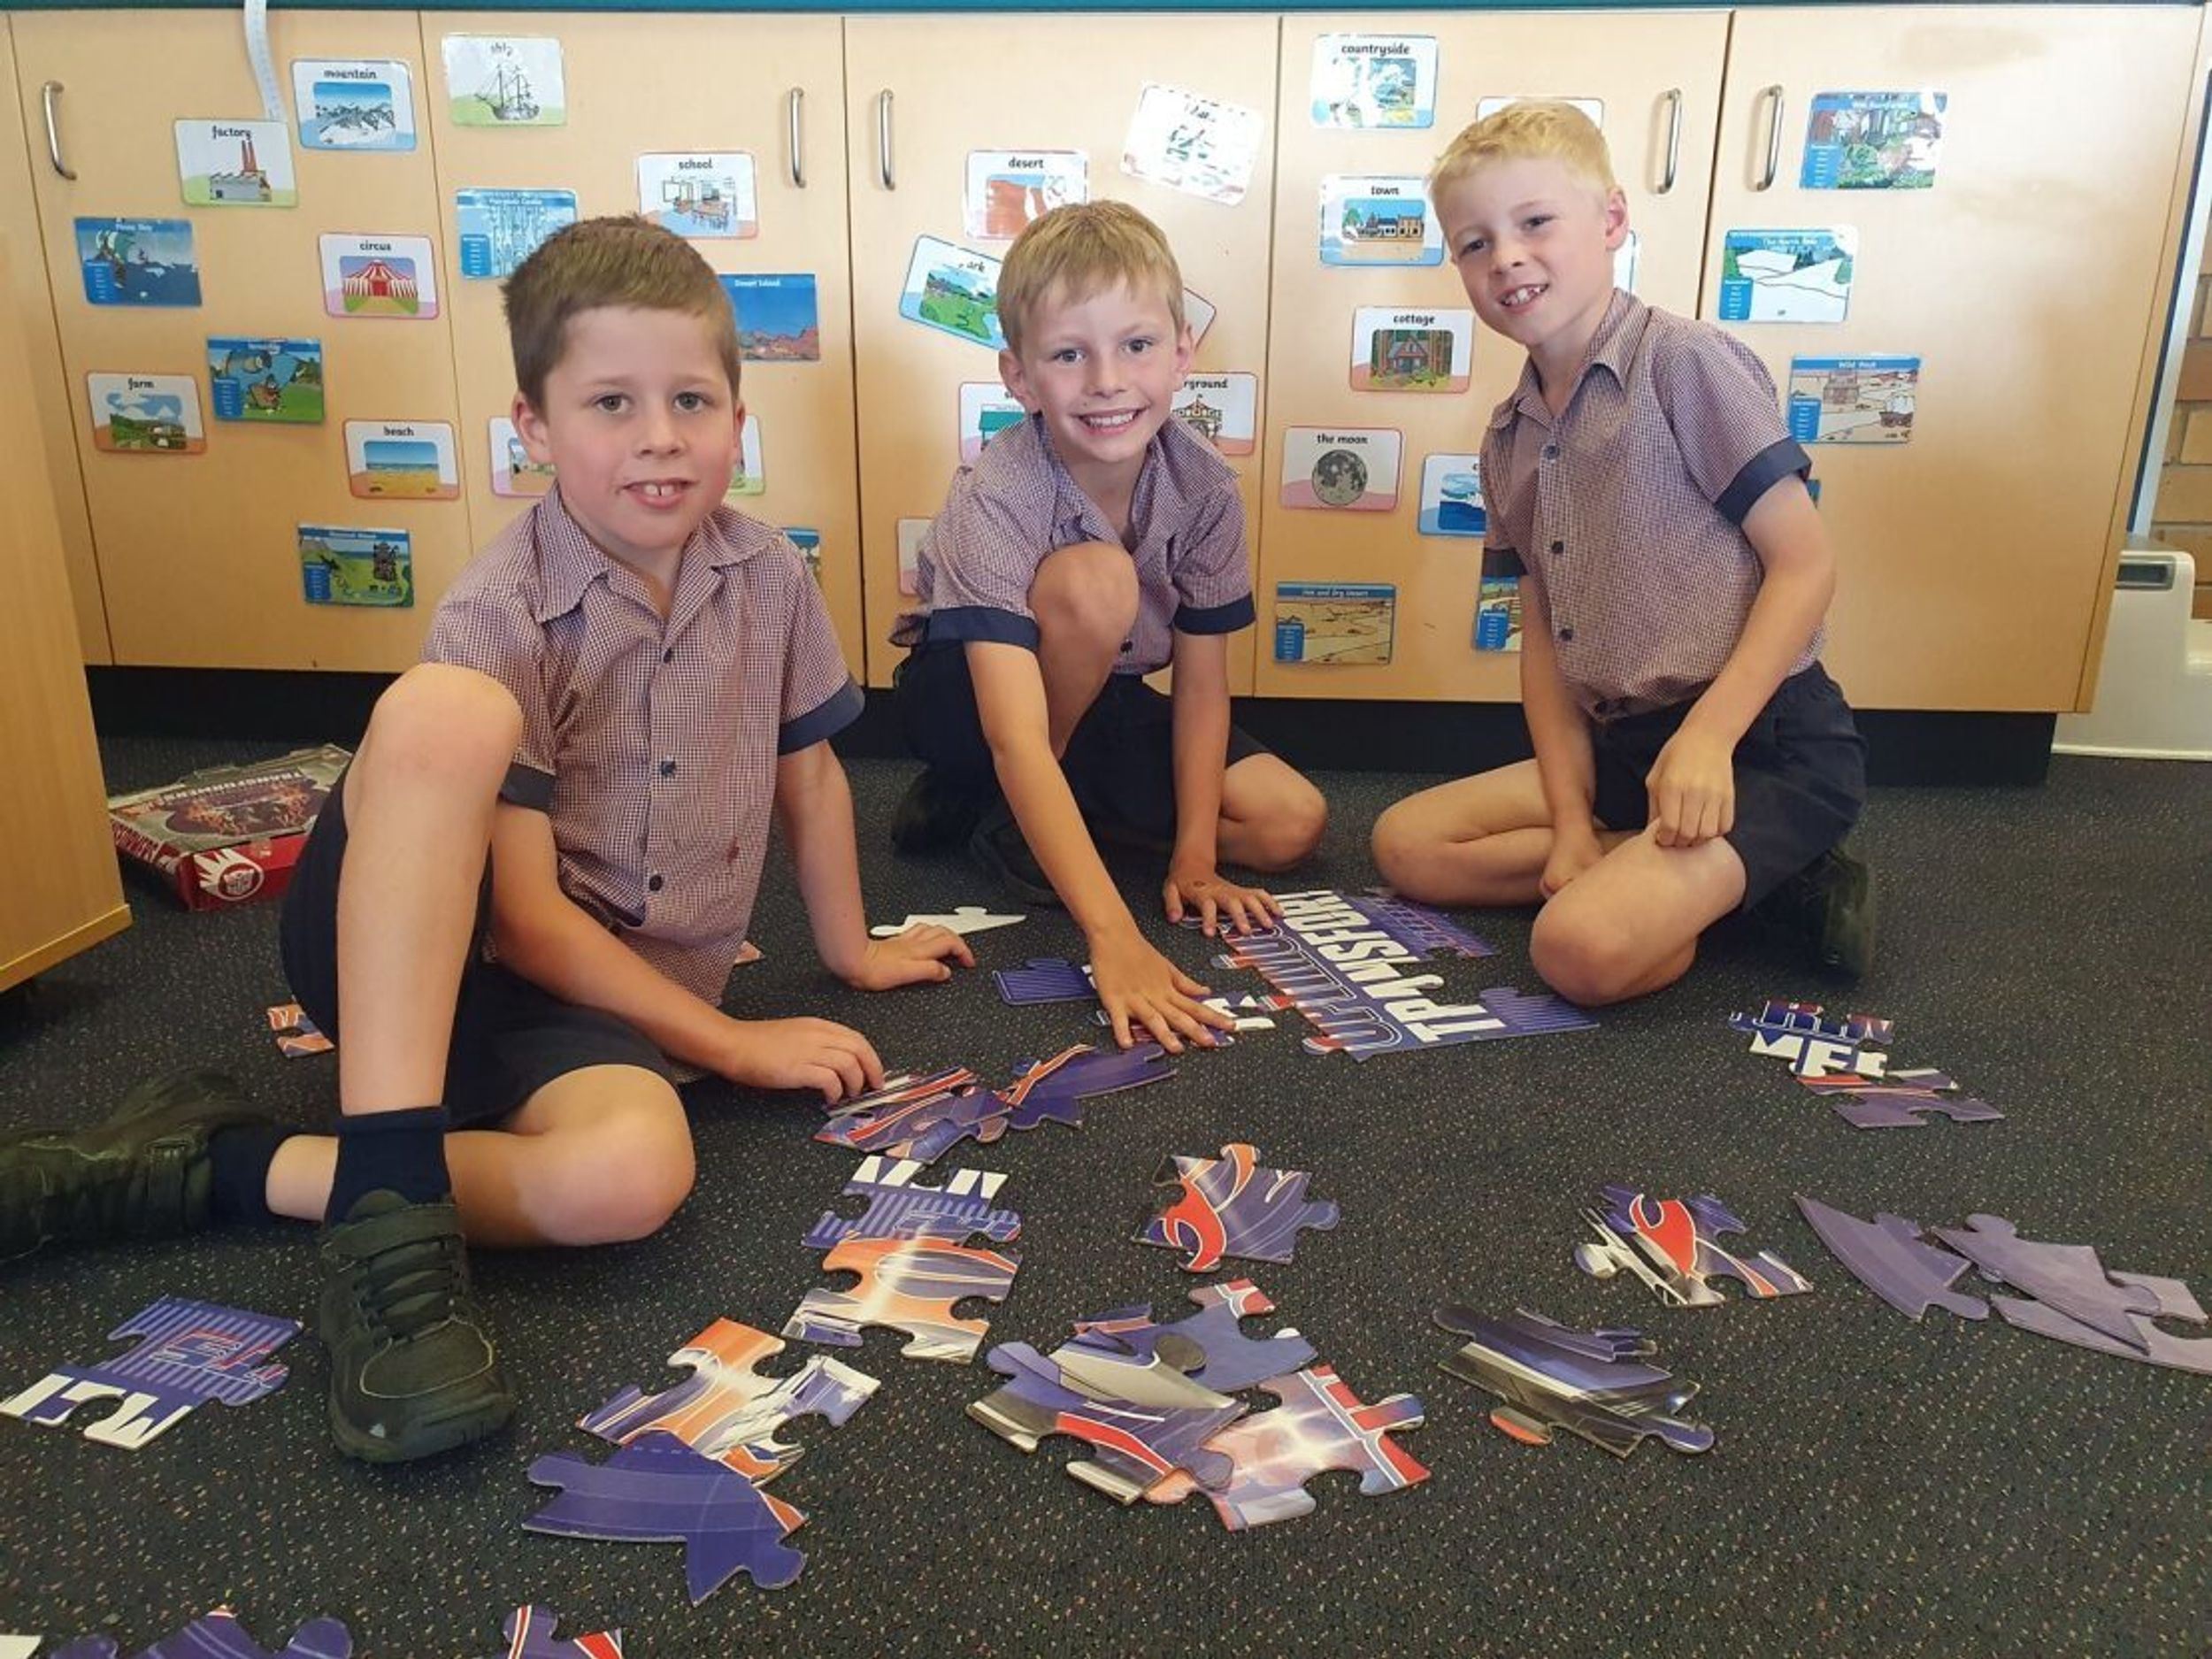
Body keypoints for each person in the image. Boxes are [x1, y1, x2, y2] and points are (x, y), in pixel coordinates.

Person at [0, 217, 971, 1463]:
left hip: (590, 1001)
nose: (660, 435)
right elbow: (524, 921)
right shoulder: (504, 607)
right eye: (611, 402)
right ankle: (391, 1224)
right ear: (535, 427)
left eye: (690, 400)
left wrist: (849, 951)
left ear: (737, 418)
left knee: (628, 1177)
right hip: (433, 951)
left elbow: (815, 775)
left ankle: (221, 1166)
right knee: (448, 706)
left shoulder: (770, 576)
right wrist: (733, 1041)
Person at [1371, 104, 1873, 1006]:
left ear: (1609, 221)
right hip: (1623, 747)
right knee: (1407, 846)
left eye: (1534, 222)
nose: (1506, 258)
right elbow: (1541, 642)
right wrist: (1569, 825)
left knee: (1579, 951)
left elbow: (1805, 565)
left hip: (1760, 744)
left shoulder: (1685, 362)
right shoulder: (1507, 438)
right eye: (1475, 244)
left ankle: (1764, 872)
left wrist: (1707, 739)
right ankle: (1692, 874)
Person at [888, 202, 1327, 1051]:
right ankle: (989, 796)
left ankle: (1015, 815)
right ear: (1020, 377)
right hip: (969, 701)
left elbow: (1202, 683)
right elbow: (1016, 735)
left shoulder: (1204, 485)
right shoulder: (998, 494)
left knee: (1288, 822)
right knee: (1097, 578)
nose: (1106, 381)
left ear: (1182, 354)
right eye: (1068, 354)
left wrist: (1194, 859)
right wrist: (1114, 934)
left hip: (1102, 695)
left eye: (1136, 345)